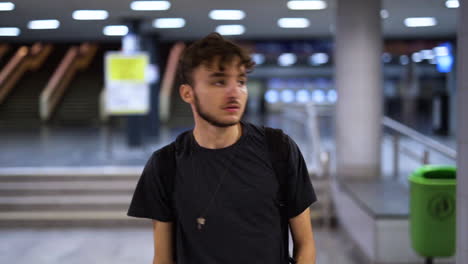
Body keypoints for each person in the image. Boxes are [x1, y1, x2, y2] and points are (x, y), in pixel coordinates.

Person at [127, 32, 317, 264]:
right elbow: (163, 258)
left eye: (241, 81)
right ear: (188, 93)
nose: (234, 92)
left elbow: (305, 245)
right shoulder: (166, 164)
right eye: (219, 81)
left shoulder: (278, 148)